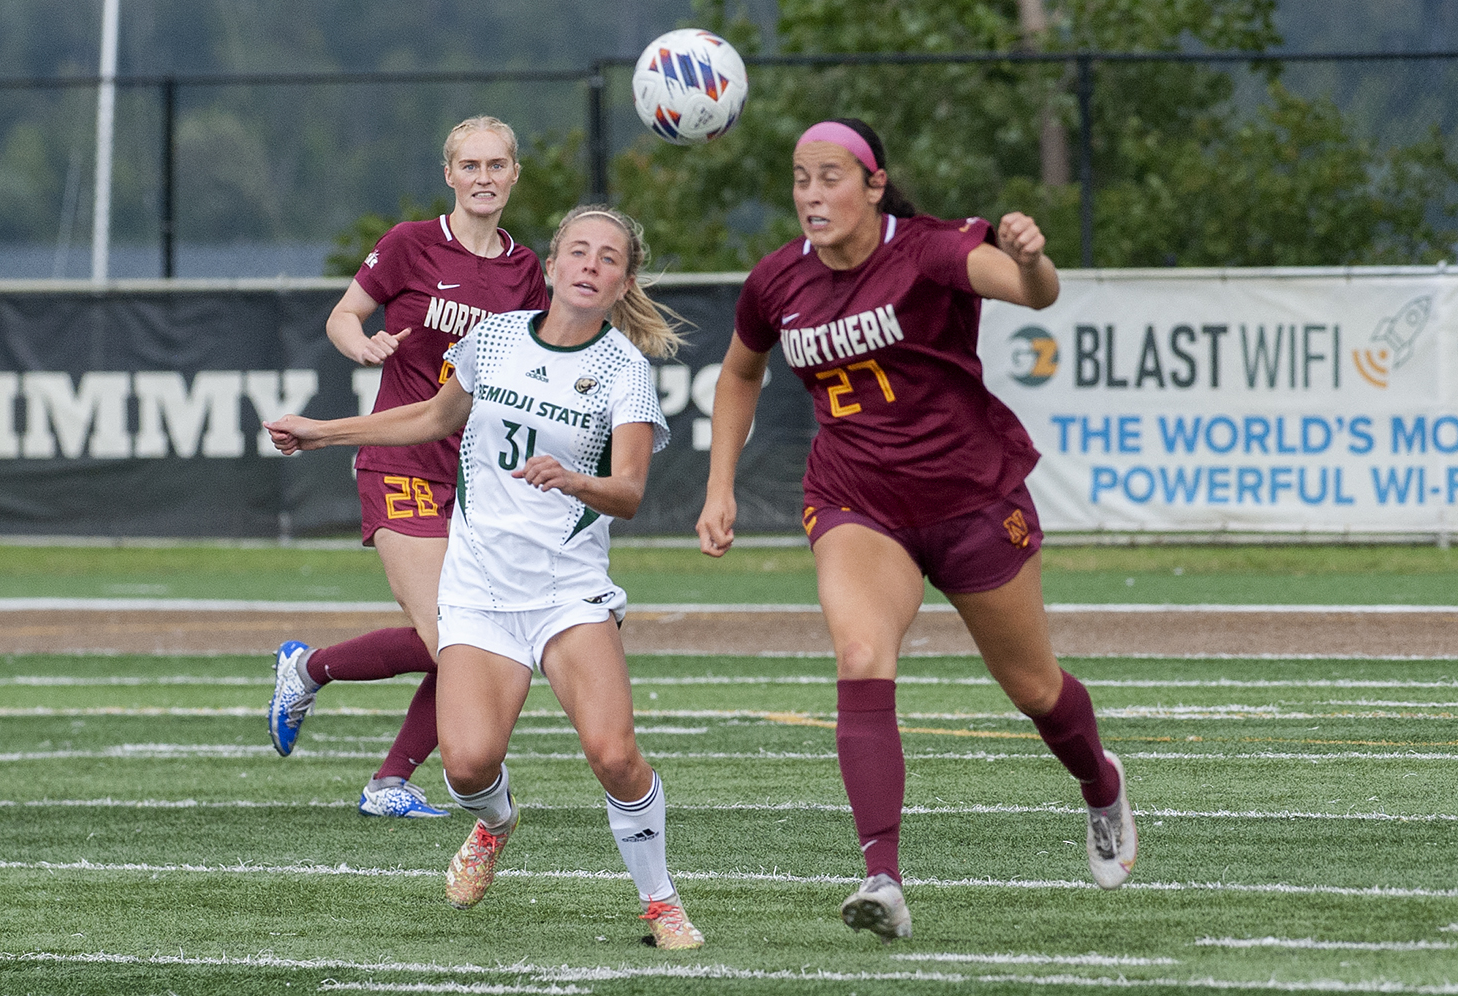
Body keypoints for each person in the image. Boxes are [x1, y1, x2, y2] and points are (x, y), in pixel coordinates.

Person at [694, 118, 1136, 942]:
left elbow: (1034, 293)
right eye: (799, 178)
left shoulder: (928, 250)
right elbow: (739, 372)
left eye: (831, 176)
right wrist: (720, 485)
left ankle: (1100, 784)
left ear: (874, 183)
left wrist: (1034, 256)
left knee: (1035, 689)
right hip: (857, 499)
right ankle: (882, 877)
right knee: (862, 657)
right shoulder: (776, 281)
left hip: (970, 496)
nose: (812, 194)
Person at [264, 205, 705, 950]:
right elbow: (432, 417)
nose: (591, 266)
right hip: (480, 593)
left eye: (608, 258)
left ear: (623, 278)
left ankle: (662, 904)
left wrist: (575, 480)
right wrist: (320, 432)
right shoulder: (495, 338)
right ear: (555, 264)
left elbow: (628, 492)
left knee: (613, 753)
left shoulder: (623, 370)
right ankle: (496, 824)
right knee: (468, 766)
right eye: (579, 252)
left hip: (568, 592)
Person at [267, 115, 549, 819]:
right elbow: (343, 314)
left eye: (497, 165)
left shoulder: (527, 272)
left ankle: (336, 706)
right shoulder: (411, 244)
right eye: (470, 166)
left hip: (479, 480)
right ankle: (348, 727)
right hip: (399, 461)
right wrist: (358, 343)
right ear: (449, 176)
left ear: (515, 174)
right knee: (454, 636)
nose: (484, 178)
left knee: (480, 638)